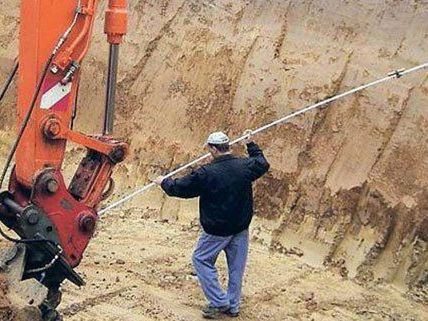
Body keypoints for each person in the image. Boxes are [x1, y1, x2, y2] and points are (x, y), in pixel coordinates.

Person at [153, 130, 270, 319]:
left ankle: (219, 302)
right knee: (236, 268)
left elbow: (181, 188)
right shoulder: (244, 166)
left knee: (201, 259)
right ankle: (232, 306)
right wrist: (251, 144)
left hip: (217, 230)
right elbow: (262, 163)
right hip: (240, 227)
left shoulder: (206, 173)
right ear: (228, 146)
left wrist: (163, 182)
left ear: (213, 149)